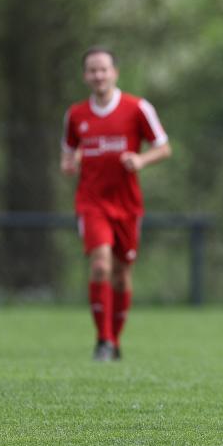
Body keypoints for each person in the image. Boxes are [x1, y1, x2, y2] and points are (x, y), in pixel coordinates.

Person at [60, 47, 171, 362]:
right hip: (91, 202)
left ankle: (115, 340)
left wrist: (140, 159)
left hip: (127, 205)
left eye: (103, 69)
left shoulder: (137, 108)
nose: (98, 75)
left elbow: (163, 148)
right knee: (100, 265)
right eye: (92, 70)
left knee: (122, 274)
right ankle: (103, 340)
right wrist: (69, 163)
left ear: (114, 72)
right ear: (85, 76)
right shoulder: (76, 115)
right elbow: (67, 154)